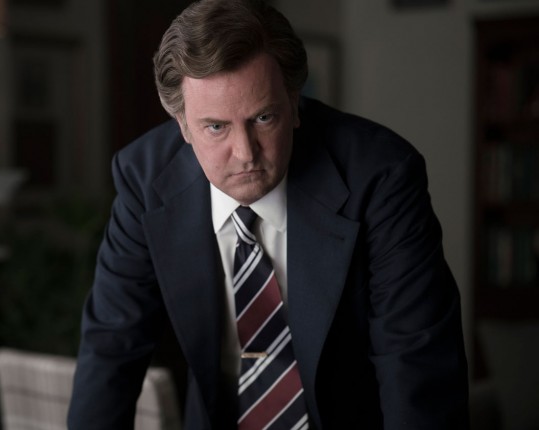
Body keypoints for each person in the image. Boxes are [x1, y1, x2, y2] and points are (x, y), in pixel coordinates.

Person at [68, 0, 469, 428]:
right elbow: (112, 347)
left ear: (294, 103)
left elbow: (415, 364)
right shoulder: (144, 179)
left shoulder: (381, 175)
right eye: (216, 127)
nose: (245, 153)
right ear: (181, 124)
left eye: (263, 117)